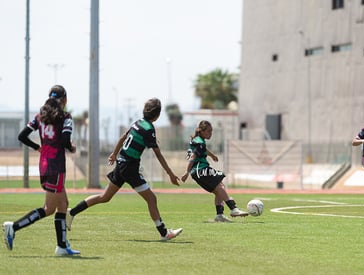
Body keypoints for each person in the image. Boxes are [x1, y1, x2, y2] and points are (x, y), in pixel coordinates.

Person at [66, 98, 183, 241]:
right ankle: (164, 233)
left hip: (121, 162)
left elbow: (123, 137)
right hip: (129, 167)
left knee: (105, 197)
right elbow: (158, 154)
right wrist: (170, 174)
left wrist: (115, 154)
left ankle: (71, 212)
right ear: (157, 115)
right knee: (152, 199)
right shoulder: (148, 129)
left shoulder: (137, 123)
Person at [3, 85, 80, 255]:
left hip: (44, 164)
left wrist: (38, 147)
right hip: (57, 166)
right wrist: (71, 148)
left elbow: (22, 135)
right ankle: (13, 227)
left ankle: (61, 246)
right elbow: (66, 140)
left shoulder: (40, 117)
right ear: (65, 100)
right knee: (49, 208)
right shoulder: (65, 118)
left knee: (63, 205)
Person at [181, 120, 248, 222]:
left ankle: (219, 215)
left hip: (197, 172)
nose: (210, 133)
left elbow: (203, 149)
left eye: (211, 131)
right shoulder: (200, 142)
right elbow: (193, 156)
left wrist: (212, 155)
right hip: (201, 169)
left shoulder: (198, 140)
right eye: (208, 131)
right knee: (220, 186)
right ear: (201, 131)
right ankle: (233, 209)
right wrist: (187, 172)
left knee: (219, 189)